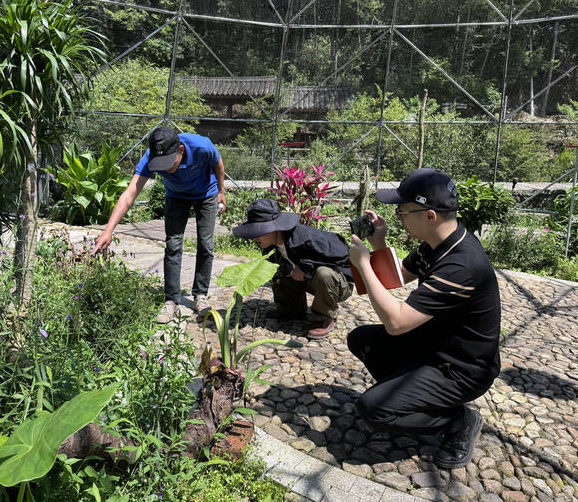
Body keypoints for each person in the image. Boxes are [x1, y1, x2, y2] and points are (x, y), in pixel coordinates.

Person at [347, 168, 500, 469]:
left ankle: (457, 422)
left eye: (403, 211)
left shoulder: (460, 265)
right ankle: (418, 397)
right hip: (433, 346)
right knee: (362, 340)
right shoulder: (438, 243)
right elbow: (398, 277)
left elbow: (397, 322)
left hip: (461, 369)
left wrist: (363, 265)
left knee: (374, 410)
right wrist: (380, 243)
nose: (399, 216)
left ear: (429, 216)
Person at [92, 127, 226, 323]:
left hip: (206, 193)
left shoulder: (201, 145)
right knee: (173, 245)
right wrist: (108, 231)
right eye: (160, 164)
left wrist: (221, 190)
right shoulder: (150, 157)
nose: (165, 168)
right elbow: (130, 194)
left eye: (168, 163)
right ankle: (172, 300)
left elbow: (218, 163)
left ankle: (200, 296)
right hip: (176, 195)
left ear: (181, 150)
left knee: (205, 243)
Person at [232, 198, 353, 339]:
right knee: (273, 268)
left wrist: (304, 266)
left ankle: (323, 317)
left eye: (259, 231)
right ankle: (292, 309)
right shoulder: (270, 246)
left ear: (274, 228)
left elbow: (346, 254)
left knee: (324, 273)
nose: (254, 238)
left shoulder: (307, 236)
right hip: (308, 280)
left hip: (339, 284)